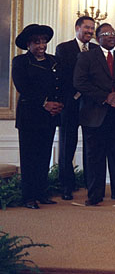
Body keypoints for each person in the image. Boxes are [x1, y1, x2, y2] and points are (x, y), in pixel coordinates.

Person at [73, 23, 115, 205]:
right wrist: (105, 97)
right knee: (95, 157)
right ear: (97, 37)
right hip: (94, 115)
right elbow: (80, 82)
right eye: (106, 33)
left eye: (113, 33)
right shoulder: (86, 57)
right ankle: (95, 195)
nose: (111, 36)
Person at [12, 24, 64, 209]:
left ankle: (42, 193)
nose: (41, 45)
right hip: (29, 117)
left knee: (44, 156)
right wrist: (44, 103)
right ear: (28, 44)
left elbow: (60, 85)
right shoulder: (20, 62)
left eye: (43, 41)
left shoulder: (54, 61)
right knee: (30, 158)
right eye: (37, 42)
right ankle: (29, 197)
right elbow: (23, 88)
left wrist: (58, 104)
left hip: (49, 117)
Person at [55, 16, 98, 200]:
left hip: (91, 105)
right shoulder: (63, 48)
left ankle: (91, 184)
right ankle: (66, 186)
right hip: (69, 104)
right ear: (77, 27)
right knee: (67, 146)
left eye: (92, 29)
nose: (90, 31)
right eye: (87, 28)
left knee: (92, 147)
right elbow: (63, 77)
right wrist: (77, 92)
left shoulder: (97, 49)